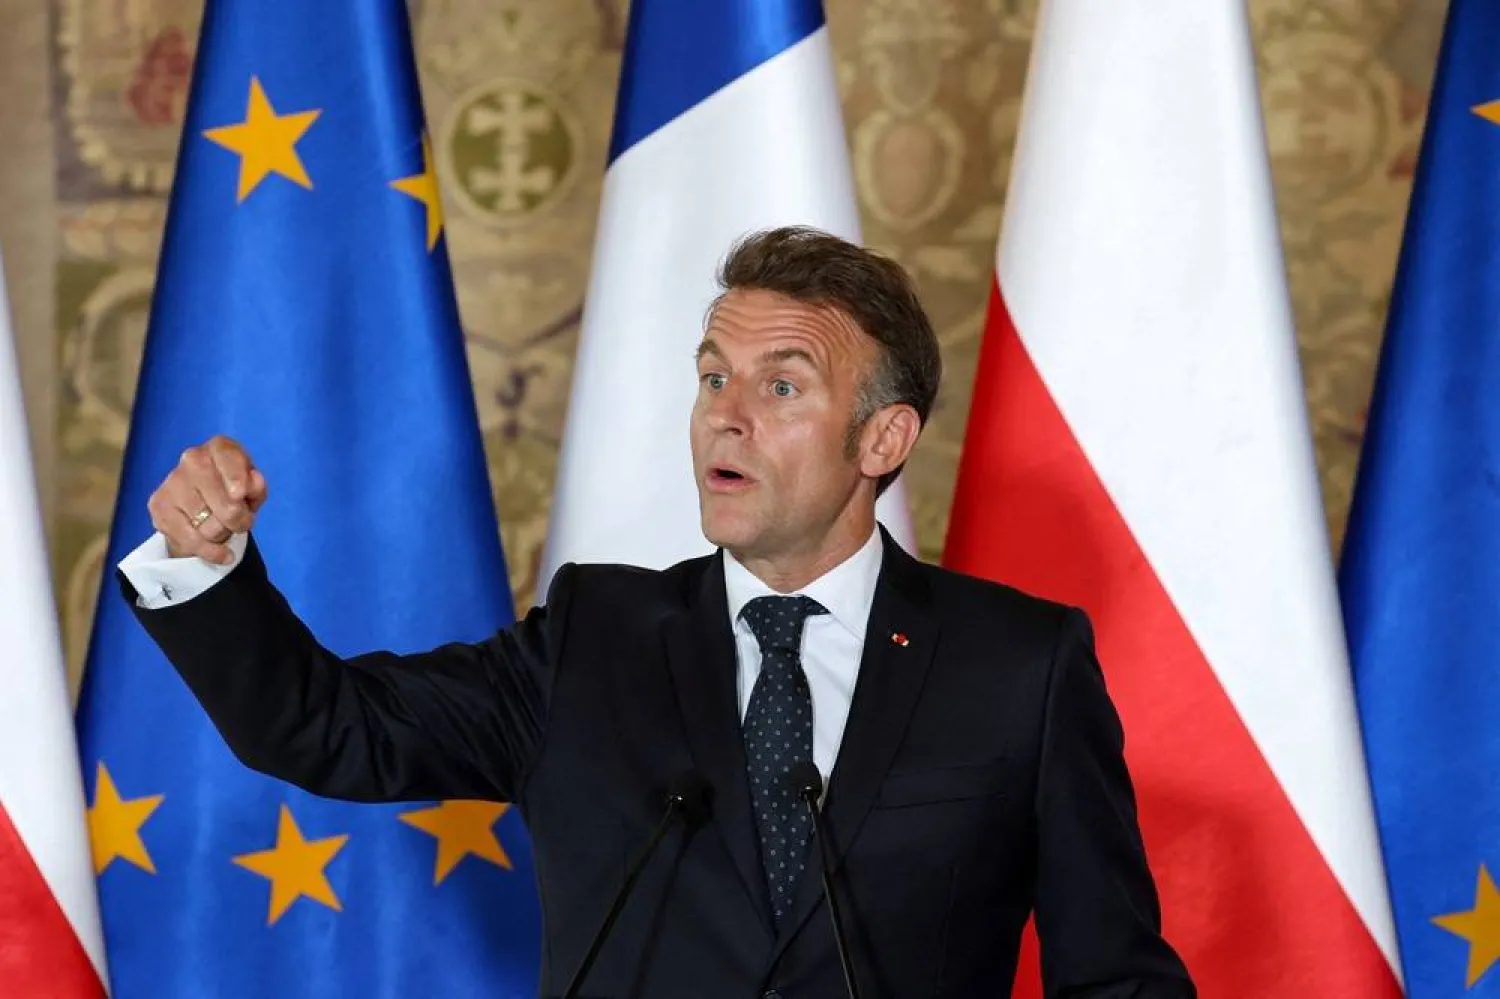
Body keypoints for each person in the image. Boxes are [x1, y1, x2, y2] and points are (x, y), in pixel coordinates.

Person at [118, 226, 1195, 998]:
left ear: (883, 442)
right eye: (712, 378)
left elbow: (1116, 977)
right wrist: (206, 567)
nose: (725, 417)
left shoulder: (1019, 665)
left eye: (781, 387)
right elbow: (321, 728)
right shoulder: (593, 639)